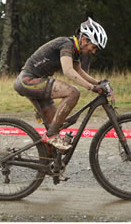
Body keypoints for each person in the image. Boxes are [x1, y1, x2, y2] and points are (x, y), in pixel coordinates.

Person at [14, 17, 107, 153]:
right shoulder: (66, 44)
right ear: (84, 40)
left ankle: (50, 168)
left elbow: (79, 72)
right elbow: (68, 71)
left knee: (55, 127)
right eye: (93, 47)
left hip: (34, 82)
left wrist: (98, 83)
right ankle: (51, 136)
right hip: (27, 81)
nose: (93, 51)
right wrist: (91, 87)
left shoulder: (75, 52)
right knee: (73, 92)